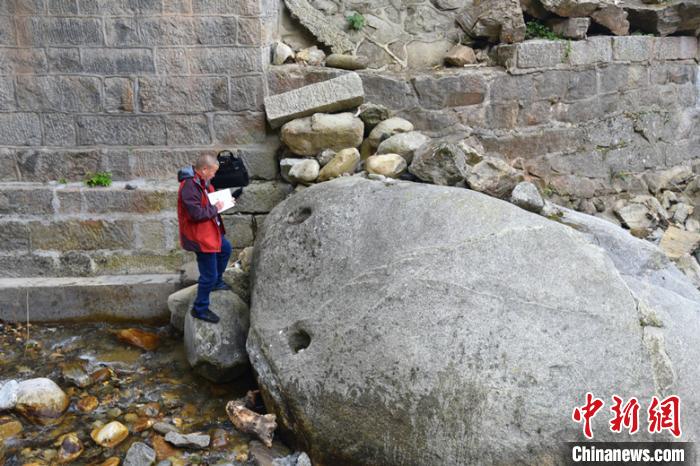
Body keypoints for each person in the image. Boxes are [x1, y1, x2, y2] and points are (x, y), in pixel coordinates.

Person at [177, 154, 233, 323]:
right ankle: (199, 308)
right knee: (208, 274)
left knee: (226, 249)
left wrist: (225, 201)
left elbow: (206, 203)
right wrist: (216, 208)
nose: (214, 176)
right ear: (204, 170)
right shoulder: (189, 186)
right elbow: (196, 214)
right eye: (213, 172)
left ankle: (216, 282)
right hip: (200, 237)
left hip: (209, 231)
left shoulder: (200, 181)